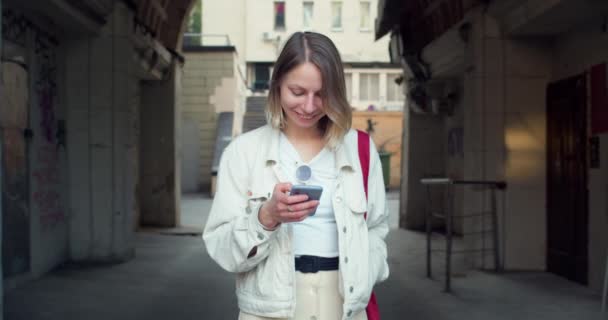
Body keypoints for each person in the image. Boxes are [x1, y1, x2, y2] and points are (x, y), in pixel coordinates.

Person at [203, 31, 389, 320]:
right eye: (298, 92)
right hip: (268, 310)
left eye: (322, 94)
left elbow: (376, 228)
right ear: (277, 85)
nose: (310, 106)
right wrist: (265, 217)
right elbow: (222, 249)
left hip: (344, 307)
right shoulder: (243, 152)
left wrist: (364, 275)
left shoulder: (360, 148)